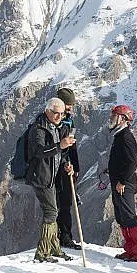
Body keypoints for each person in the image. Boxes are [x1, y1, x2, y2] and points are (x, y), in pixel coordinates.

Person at [27, 97, 77, 263]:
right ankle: (42, 252)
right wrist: (60, 146)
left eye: (62, 114)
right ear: (47, 111)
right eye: (55, 113)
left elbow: (59, 155)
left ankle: (54, 247)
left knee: (53, 212)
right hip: (41, 177)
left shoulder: (56, 127)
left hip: (52, 176)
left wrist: (65, 165)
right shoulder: (38, 129)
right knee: (51, 212)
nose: (59, 116)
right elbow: (40, 151)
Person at [107, 104, 137, 261]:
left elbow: (132, 161)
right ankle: (131, 250)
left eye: (114, 116)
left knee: (129, 216)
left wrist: (123, 181)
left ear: (122, 118)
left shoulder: (126, 136)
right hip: (118, 183)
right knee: (121, 216)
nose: (111, 118)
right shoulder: (119, 135)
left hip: (124, 184)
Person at [55, 87, 83, 249]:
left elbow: (72, 144)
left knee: (65, 203)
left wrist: (76, 167)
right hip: (54, 168)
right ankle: (57, 237)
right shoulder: (53, 120)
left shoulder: (69, 121)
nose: (71, 109)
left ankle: (65, 236)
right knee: (57, 205)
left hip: (66, 167)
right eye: (69, 106)